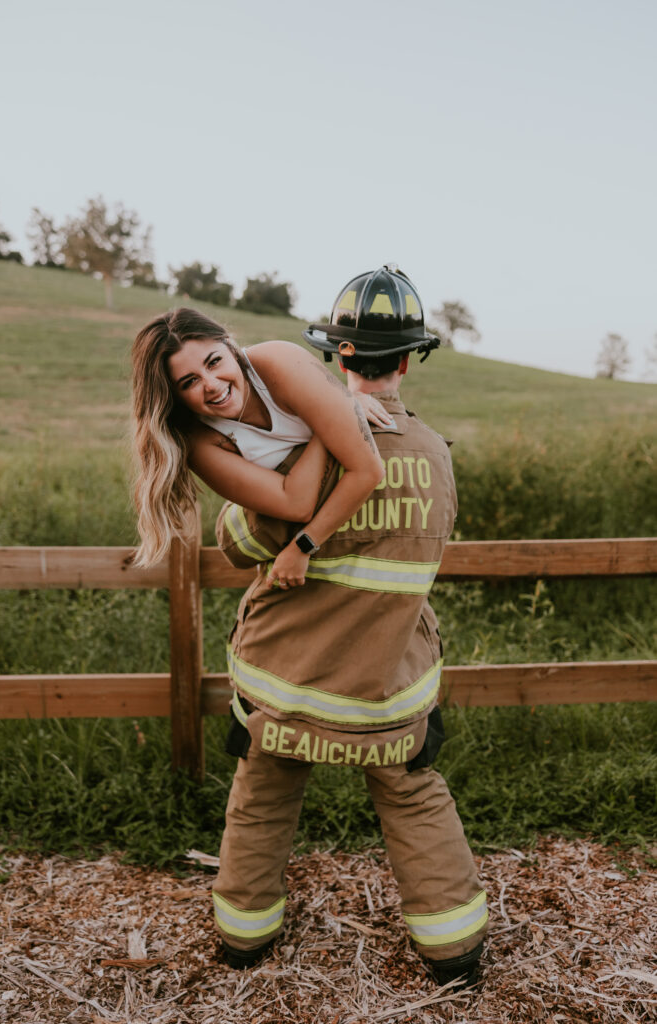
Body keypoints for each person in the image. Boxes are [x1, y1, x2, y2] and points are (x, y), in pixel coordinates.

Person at [212, 265, 488, 986]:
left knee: (263, 797)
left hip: (288, 685)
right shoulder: (434, 456)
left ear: (338, 357)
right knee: (414, 798)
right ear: (406, 359)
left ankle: (244, 937)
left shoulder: (311, 446)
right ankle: (454, 949)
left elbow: (237, 545)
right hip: (384, 690)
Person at [130, 307, 389, 572]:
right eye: (189, 382)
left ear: (229, 347)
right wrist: (339, 414)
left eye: (214, 362)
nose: (211, 384)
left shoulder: (280, 362)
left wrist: (303, 546)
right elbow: (296, 504)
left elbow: (369, 470)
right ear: (176, 397)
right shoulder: (199, 441)